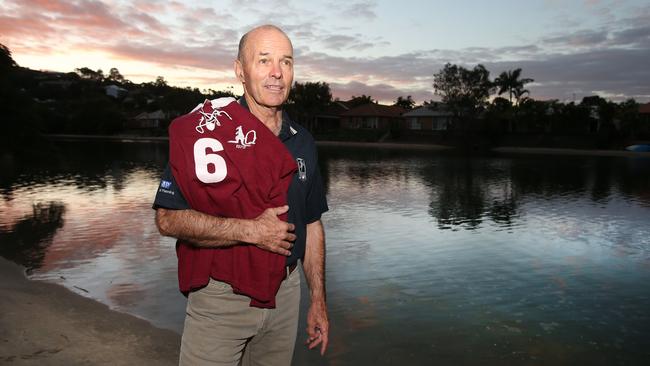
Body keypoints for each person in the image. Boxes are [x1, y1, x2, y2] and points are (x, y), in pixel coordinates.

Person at [153, 24, 329, 366]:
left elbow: (313, 225)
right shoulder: (208, 131)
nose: (277, 72)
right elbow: (167, 219)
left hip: (286, 293)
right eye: (263, 61)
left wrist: (318, 301)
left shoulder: (303, 140)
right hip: (222, 295)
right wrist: (250, 231)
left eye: (286, 62)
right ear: (240, 71)